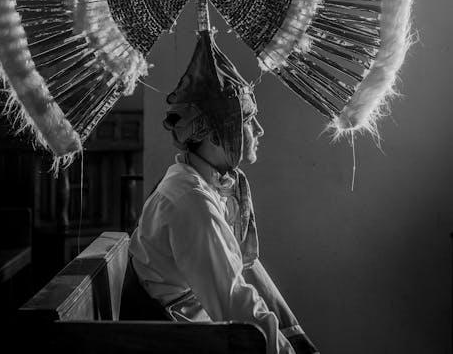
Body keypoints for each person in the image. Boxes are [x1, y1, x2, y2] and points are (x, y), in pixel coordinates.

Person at [120, 28, 319, 354]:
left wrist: (293, 338)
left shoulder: (201, 181)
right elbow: (234, 305)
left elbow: (244, 276)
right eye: (248, 119)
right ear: (214, 135)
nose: (259, 129)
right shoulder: (191, 202)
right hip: (176, 339)